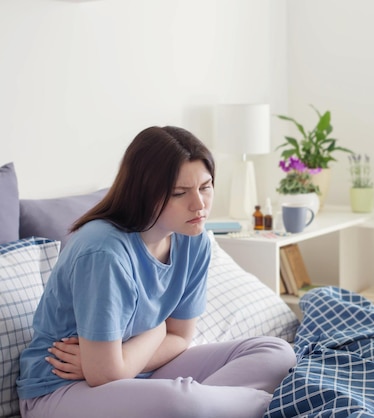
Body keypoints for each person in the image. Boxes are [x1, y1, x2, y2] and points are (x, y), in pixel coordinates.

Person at [16, 126, 296, 418]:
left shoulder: (194, 238)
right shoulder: (104, 253)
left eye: (205, 186)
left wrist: (127, 360)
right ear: (145, 193)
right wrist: (157, 330)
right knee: (182, 403)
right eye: (179, 193)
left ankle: (212, 406)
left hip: (138, 372)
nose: (199, 204)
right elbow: (106, 375)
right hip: (63, 388)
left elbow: (181, 337)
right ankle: (258, 405)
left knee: (275, 354)